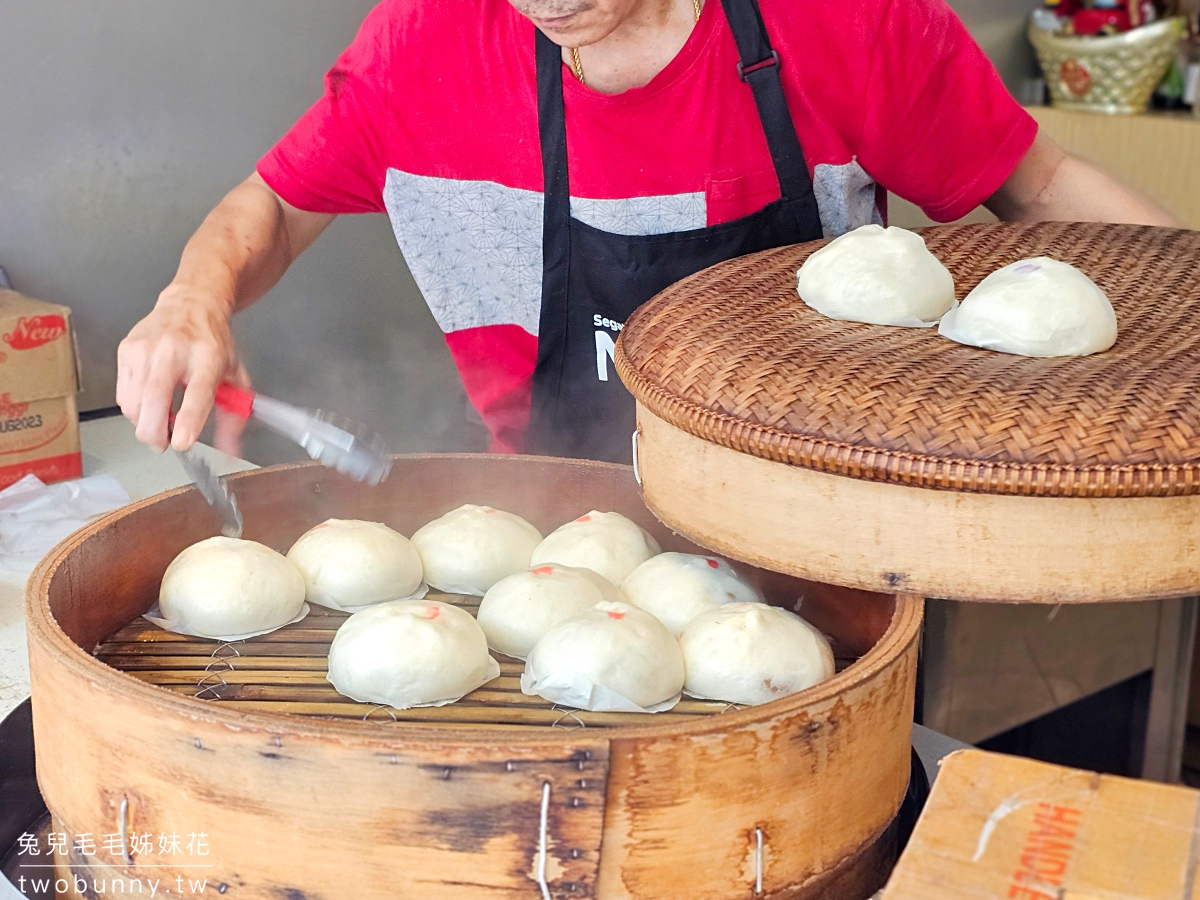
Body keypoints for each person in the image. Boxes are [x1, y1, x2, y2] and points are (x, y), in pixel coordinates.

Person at [117, 0, 1178, 463]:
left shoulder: (845, 21)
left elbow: (1038, 186)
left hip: (823, 520)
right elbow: (269, 208)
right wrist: (191, 300)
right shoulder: (427, 42)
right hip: (551, 526)